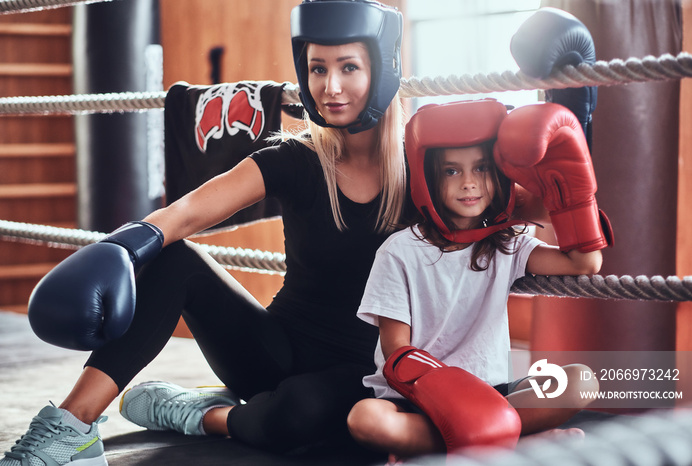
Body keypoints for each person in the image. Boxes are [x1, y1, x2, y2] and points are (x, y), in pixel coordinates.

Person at [0, 1, 408, 464]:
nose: (330, 87)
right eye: (318, 68)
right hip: (272, 355)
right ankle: (71, 426)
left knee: (304, 413)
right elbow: (189, 211)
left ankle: (198, 413)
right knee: (174, 258)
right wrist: (121, 249)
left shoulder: (425, 173)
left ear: (382, 68)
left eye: (349, 67)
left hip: (362, 373)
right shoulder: (295, 159)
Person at [346, 99, 612, 461]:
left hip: (493, 394)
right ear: (428, 178)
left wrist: (569, 197)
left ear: (499, 174)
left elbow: (585, 263)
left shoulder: (508, 243)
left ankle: (463, 444)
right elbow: (397, 353)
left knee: (579, 382)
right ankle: (509, 443)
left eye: (482, 168)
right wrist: (459, 409)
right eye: (452, 171)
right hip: (417, 397)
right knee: (366, 420)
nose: (469, 183)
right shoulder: (399, 252)